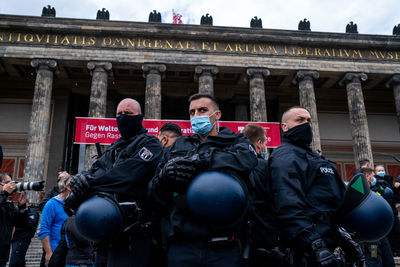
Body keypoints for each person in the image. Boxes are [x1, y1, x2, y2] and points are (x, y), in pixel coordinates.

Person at [149, 93, 258, 266]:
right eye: (192, 112)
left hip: (224, 245)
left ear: (217, 115)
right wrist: (164, 176)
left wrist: (202, 160)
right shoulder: (178, 146)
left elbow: (247, 160)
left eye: (203, 110)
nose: (196, 116)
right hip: (182, 244)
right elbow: (153, 192)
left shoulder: (236, 141)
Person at [64, 98, 163, 267]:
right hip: (106, 236)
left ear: (140, 117)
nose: (123, 117)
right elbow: (94, 173)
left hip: (134, 238)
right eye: (119, 114)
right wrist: (78, 185)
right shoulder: (112, 149)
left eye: (129, 114)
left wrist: (89, 185)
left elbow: (126, 176)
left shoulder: (150, 144)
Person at [267, 106, 363, 266]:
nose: (306, 124)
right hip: (306, 251)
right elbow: (288, 207)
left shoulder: (316, 158)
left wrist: (345, 239)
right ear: (284, 126)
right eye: (300, 120)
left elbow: (334, 206)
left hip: (329, 245)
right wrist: (315, 245)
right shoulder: (285, 157)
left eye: (309, 121)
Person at [242, 124, 279, 266]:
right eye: (265, 144)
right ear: (259, 143)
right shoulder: (265, 166)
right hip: (264, 234)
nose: (265, 148)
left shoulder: (233, 163)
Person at [359, 167, 395, 267]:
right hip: (371, 236)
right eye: (373, 176)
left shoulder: (375, 190)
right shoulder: (360, 193)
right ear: (367, 176)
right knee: (373, 256)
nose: (375, 178)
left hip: (380, 233)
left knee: (387, 256)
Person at [39, 173, 71, 266]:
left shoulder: (74, 205)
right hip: (55, 252)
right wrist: (49, 253)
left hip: (70, 254)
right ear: (68, 187)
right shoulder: (51, 204)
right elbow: (43, 229)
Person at [0, 173, 28, 267]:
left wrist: (22, 207)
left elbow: (21, 225)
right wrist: (4, 193)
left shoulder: (8, 204)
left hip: (2, 256)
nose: (11, 186)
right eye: (8, 183)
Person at [9, 201, 39, 267]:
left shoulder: (32, 211)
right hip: (16, 239)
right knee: (19, 262)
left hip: (22, 239)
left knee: (15, 263)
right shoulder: (16, 210)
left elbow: (29, 224)